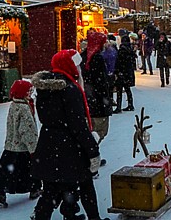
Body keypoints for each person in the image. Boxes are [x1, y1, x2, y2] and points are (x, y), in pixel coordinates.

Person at [31, 49, 101, 220]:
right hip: (69, 147)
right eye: (76, 64)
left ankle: (60, 214)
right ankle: (93, 217)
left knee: (51, 189)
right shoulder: (70, 89)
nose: (79, 68)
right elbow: (78, 126)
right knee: (85, 184)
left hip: (48, 143)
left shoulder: (44, 89)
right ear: (69, 66)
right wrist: (92, 151)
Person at [0, 79, 41, 208]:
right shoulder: (24, 108)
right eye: (28, 91)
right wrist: (33, 147)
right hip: (23, 146)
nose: (30, 93)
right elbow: (26, 129)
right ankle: (35, 189)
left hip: (11, 144)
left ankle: (0, 192)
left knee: (7, 170)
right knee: (30, 169)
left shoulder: (14, 105)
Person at [81, 31, 113, 163]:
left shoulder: (83, 56)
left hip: (86, 100)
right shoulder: (97, 58)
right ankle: (90, 158)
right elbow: (101, 83)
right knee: (100, 131)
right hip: (98, 102)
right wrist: (107, 98)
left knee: (90, 131)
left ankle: (89, 156)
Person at [114, 35, 136, 113]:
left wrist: (117, 71)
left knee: (119, 90)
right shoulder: (130, 49)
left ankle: (119, 107)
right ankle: (130, 104)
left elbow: (119, 62)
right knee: (127, 89)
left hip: (122, 73)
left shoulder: (121, 50)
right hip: (128, 73)